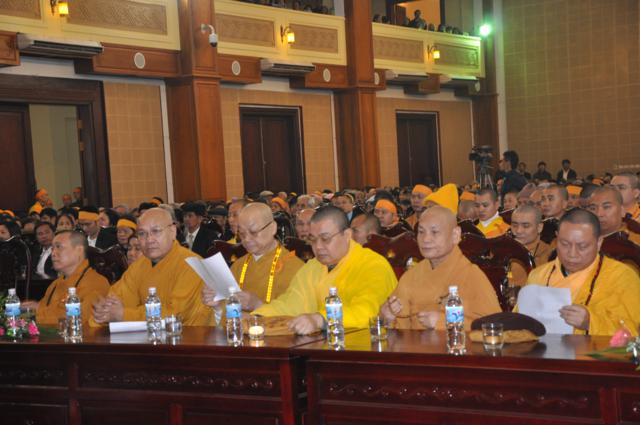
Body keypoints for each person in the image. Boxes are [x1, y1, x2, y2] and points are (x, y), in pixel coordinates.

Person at [252, 206, 397, 335]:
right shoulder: (313, 267)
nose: (318, 247)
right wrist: (257, 317)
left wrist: (320, 319)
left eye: (325, 239)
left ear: (347, 235)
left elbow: (367, 311)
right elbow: (290, 303)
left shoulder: (373, 265)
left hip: (367, 347)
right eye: (313, 240)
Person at [379, 206, 501, 330]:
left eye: (434, 232)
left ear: (455, 235)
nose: (426, 239)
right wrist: (388, 318)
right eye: (421, 232)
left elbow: (494, 327)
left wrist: (444, 321)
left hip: (456, 342)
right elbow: (401, 330)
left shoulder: (472, 276)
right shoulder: (411, 276)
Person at [525, 209, 640, 336]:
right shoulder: (538, 276)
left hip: (594, 349)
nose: (572, 254)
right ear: (556, 239)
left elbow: (632, 332)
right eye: (564, 244)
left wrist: (590, 322)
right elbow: (521, 326)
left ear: (599, 243)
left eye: (582, 246)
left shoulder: (622, 277)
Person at [90, 208, 213, 326]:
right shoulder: (138, 266)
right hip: (145, 337)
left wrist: (123, 315)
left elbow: (175, 314)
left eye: (156, 231)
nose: (149, 239)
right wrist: (104, 311)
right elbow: (118, 298)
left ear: (172, 231)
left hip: (186, 337)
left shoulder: (192, 264)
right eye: (142, 233)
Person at [202, 203, 304, 312]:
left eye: (253, 232)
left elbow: (297, 314)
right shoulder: (238, 266)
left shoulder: (294, 267)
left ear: (272, 228)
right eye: (242, 233)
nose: (247, 239)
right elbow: (228, 313)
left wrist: (258, 305)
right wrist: (217, 305)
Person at [22, 231, 110, 326]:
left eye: (59, 247)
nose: (53, 253)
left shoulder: (96, 282)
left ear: (79, 250)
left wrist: (38, 310)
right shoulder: (55, 284)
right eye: (52, 248)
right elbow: (43, 311)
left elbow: (79, 320)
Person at [509, 205, 552, 285]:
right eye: (515, 225)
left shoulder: (549, 255)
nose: (518, 231)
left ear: (539, 227)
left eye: (526, 226)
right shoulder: (503, 250)